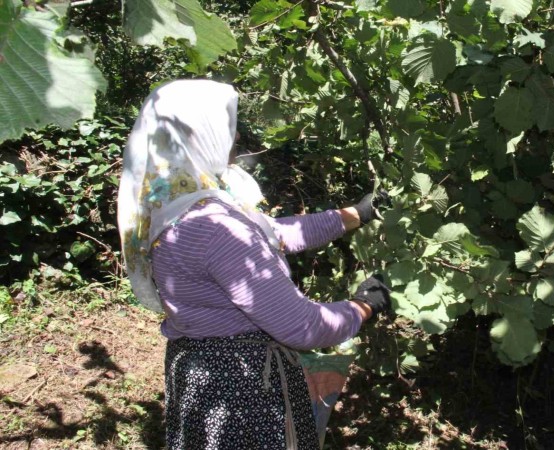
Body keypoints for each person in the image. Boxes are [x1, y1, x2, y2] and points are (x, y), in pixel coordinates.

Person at [117, 79, 391, 449]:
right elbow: (303, 327)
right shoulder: (217, 227)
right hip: (242, 391)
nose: (234, 136)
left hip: (198, 375)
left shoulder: (174, 205)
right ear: (202, 134)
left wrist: (356, 214)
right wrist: (365, 305)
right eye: (226, 124)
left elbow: (271, 233)